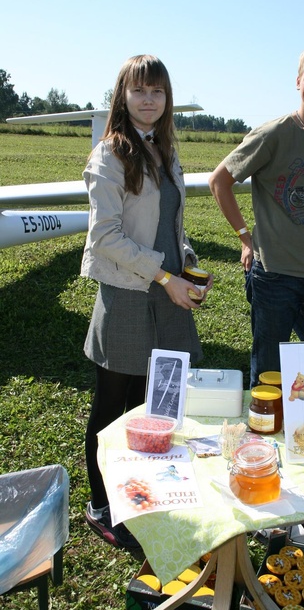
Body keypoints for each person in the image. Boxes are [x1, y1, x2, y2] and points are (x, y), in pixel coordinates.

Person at [81, 54, 212, 549]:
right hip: (130, 294)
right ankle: (101, 503)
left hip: (165, 290)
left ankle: (142, 493)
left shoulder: (165, 149)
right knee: (112, 406)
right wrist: (164, 276)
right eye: (139, 90)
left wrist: (189, 262)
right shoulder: (109, 156)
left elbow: (169, 224)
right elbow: (105, 238)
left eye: (157, 91)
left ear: (166, 98)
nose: (149, 99)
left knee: (152, 405)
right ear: (123, 96)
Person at [209, 44, 304, 388]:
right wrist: (245, 238)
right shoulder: (272, 134)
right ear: (297, 82)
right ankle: (266, 437)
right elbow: (220, 181)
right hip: (273, 276)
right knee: (268, 374)